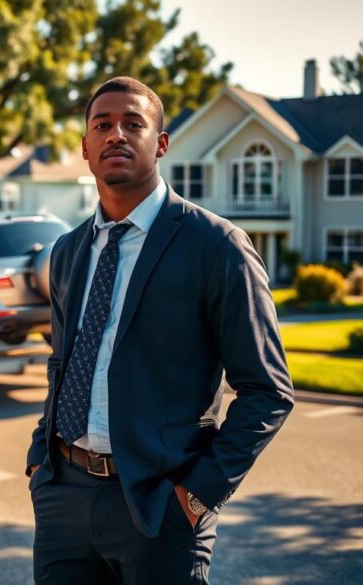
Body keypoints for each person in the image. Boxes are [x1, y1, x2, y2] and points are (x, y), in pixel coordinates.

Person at [24, 77, 294, 584]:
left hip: (159, 507)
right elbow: (63, 363)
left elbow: (268, 390)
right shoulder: (68, 252)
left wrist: (197, 495)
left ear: (161, 143)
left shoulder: (217, 247)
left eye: (133, 123)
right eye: (102, 125)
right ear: (85, 148)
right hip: (64, 500)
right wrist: (42, 460)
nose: (116, 135)